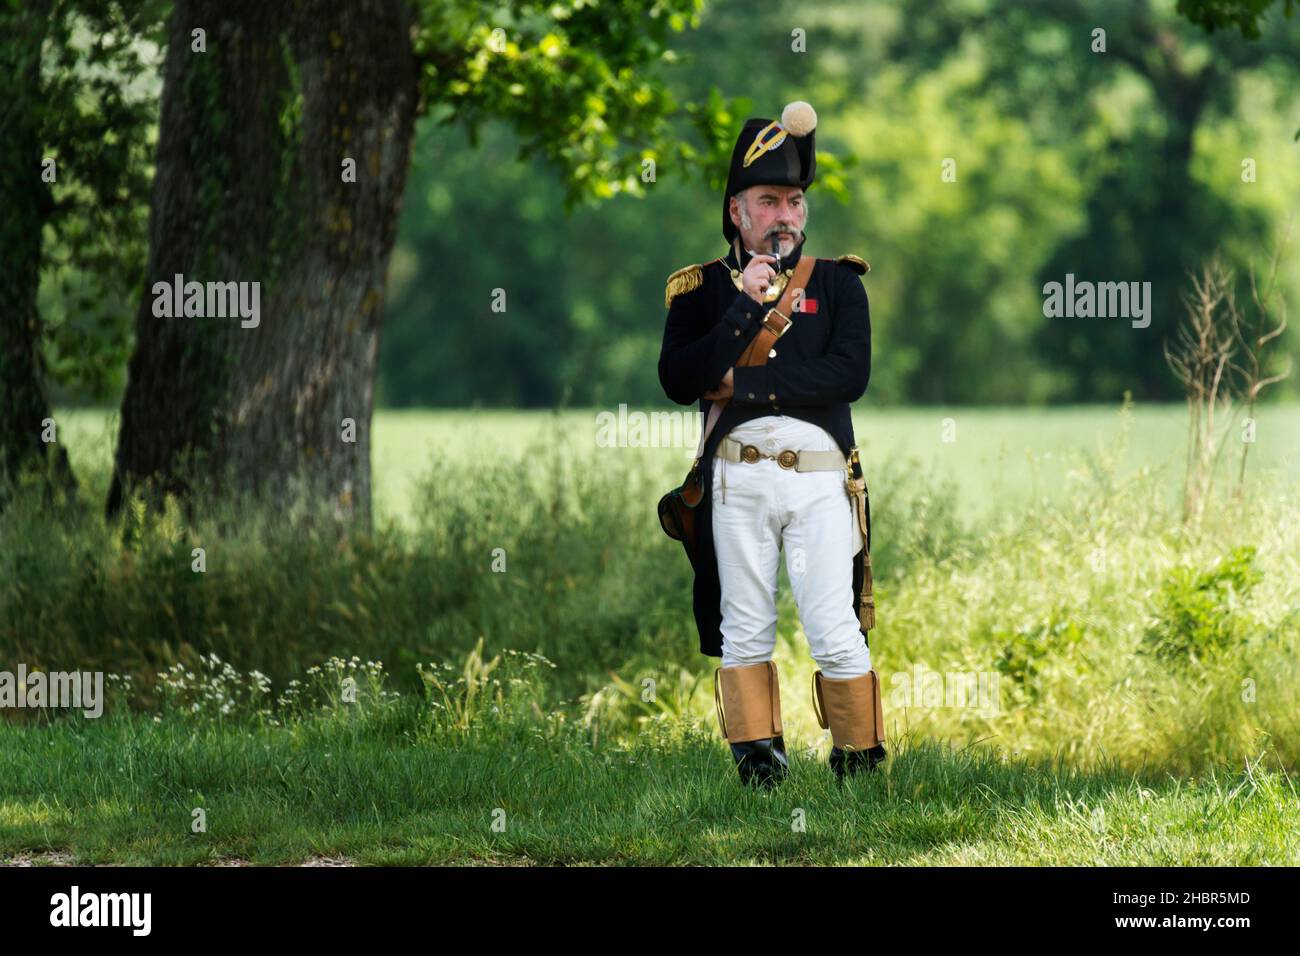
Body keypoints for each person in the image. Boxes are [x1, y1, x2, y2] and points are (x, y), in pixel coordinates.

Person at [657, 100, 886, 788]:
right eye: (768, 200)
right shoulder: (699, 292)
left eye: (794, 200)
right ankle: (760, 776)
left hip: (818, 478)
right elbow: (679, 379)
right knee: (745, 628)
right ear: (737, 211)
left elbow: (848, 376)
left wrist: (744, 386)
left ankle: (860, 769)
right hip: (733, 479)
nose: (785, 213)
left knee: (834, 626)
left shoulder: (841, 284)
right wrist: (744, 311)